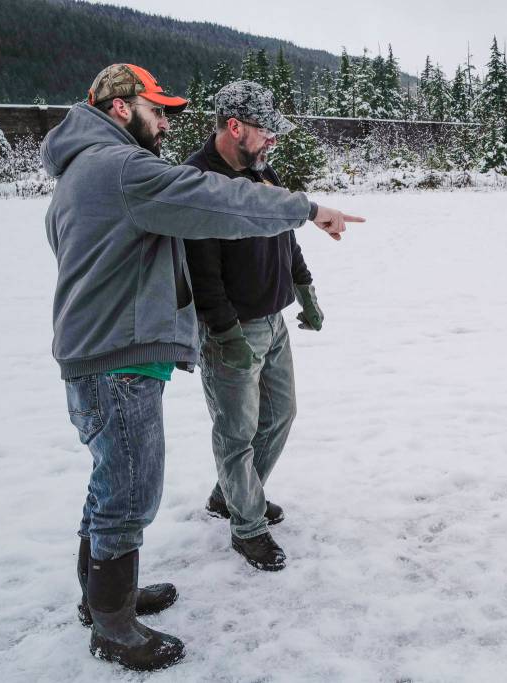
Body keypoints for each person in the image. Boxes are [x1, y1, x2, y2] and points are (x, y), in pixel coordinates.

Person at [42, 63, 363, 672]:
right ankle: (113, 625)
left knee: (114, 481)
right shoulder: (122, 168)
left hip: (102, 347)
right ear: (120, 108)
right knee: (131, 490)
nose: (165, 122)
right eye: (157, 110)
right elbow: (214, 202)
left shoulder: (86, 169)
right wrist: (307, 207)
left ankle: (102, 597)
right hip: (116, 355)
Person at [183, 80, 322, 572]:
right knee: (236, 432)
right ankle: (247, 526)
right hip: (231, 330)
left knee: (280, 414)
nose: (273, 141)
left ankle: (233, 495)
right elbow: (202, 274)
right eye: (266, 131)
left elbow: (286, 232)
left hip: (274, 320)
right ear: (234, 126)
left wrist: (304, 289)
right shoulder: (196, 181)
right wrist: (225, 335)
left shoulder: (263, 170)